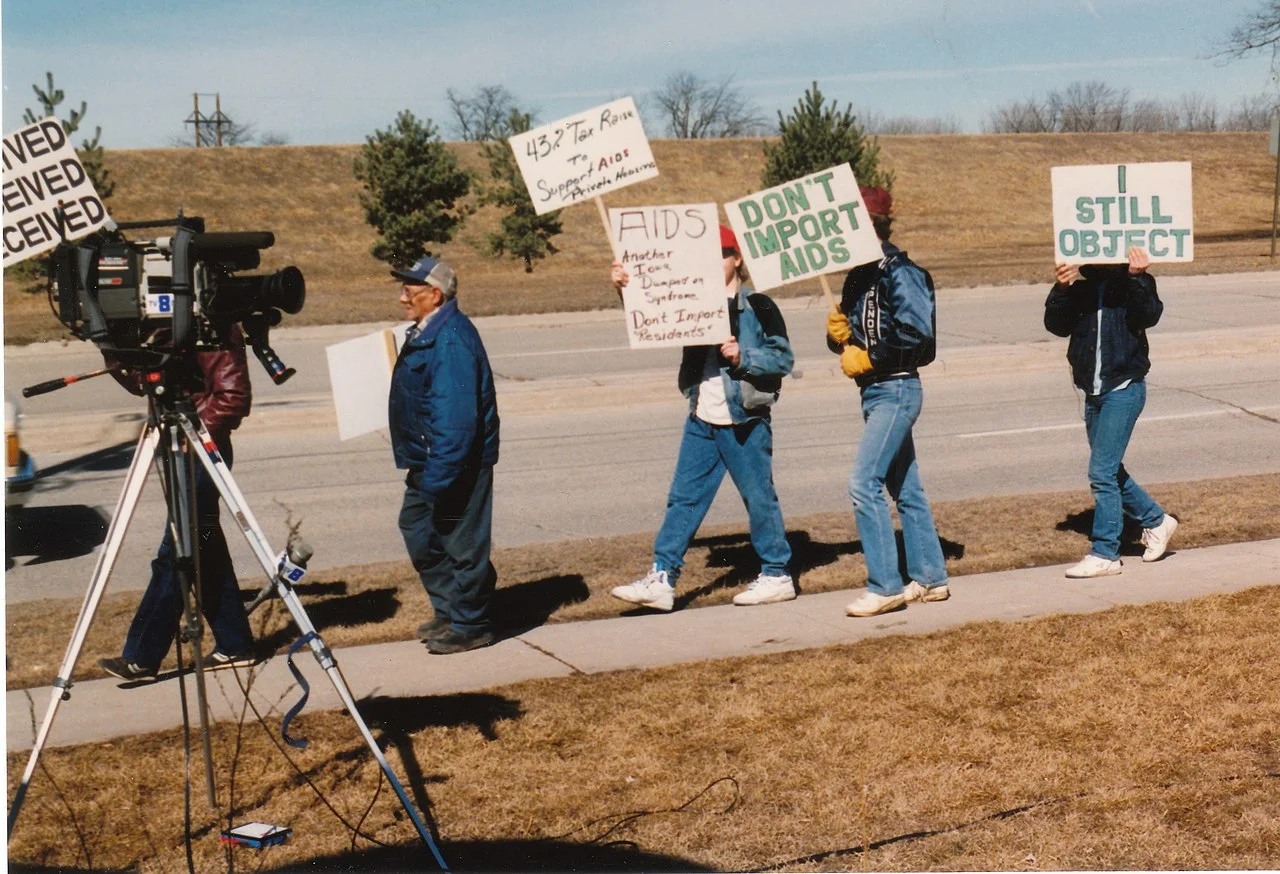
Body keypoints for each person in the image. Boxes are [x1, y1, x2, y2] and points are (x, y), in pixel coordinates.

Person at [609, 225, 795, 612]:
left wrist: (744, 356)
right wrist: (625, 287)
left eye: (721, 254)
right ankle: (663, 577)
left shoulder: (759, 306)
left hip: (744, 418)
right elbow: (652, 312)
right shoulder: (691, 299)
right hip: (701, 416)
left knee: (759, 498)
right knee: (683, 499)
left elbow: (784, 360)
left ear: (738, 258)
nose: (713, 263)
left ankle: (777, 574)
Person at [99, 326, 257, 682]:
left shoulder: (212, 322)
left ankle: (141, 657)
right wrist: (111, 347)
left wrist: (196, 433)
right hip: (174, 445)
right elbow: (145, 384)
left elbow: (234, 397)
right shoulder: (164, 324)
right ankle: (235, 645)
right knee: (204, 546)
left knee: (177, 551)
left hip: (200, 448)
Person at [826, 186, 949, 618]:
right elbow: (852, 339)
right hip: (874, 391)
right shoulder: (857, 276)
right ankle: (931, 578)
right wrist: (838, 335)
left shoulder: (903, 273)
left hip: (897, 388)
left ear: (873, 226)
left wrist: (869, 356)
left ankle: (885, 586)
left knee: (863, 483)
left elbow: (918, 338)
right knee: (906, 487)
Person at [389, 255, 501, 654]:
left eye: (409, 290)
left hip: (454, 462)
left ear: (434, 295)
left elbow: (456, 421)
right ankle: (452, 608)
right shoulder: (427, 330)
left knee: (461, 542)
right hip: (429, 460)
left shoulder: (451, 339)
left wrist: (440, 476)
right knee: (419, 531)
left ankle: (472, 623)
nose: (402, 298)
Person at [1044, 247, 1178, 577]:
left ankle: (1105, 552)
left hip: (1124, 387)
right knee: (1109, 469)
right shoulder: (1083, 288)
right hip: (1092, 390)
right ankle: (1157, 521)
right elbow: (1057, 326)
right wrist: (1061, 288)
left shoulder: (1132, 283)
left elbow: (1148, 315)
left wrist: (1138, 277)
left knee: (1101, 472)